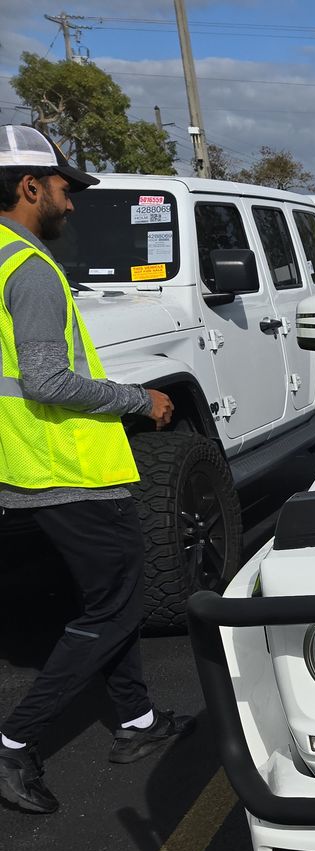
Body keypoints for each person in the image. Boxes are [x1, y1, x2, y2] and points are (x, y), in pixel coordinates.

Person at [0, 125, 194, 816]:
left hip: (31, 466)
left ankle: (135, 722)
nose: (72, 203)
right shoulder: (29, 270)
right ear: (30, 187)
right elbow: (48, 378)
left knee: (104, 604)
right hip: (71, 468)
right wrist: (141, 400)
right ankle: (14, 741)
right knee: (115, 609)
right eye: (62, 188)